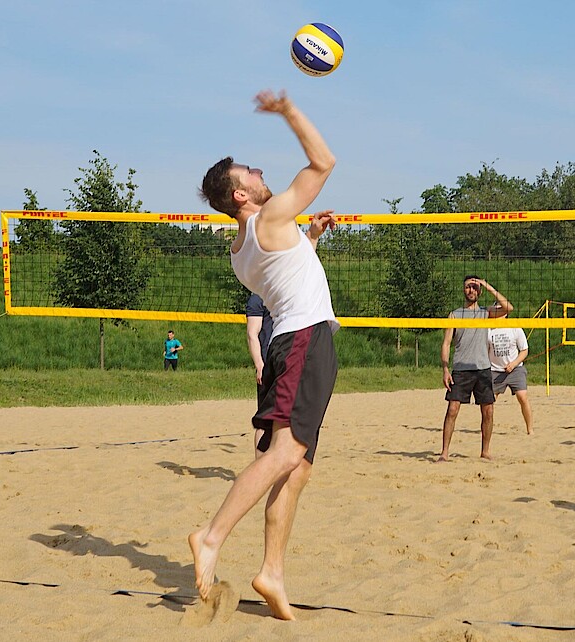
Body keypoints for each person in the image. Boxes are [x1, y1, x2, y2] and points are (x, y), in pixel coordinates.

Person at [191, 89, 339, 619]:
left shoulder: (241, 248)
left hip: (286, 343)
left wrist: (312, 239)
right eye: (248, 172)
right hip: (304, 340)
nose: (258, 171)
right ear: (240, 195)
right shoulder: (272, 217)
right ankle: (210, 536)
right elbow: (324, 162)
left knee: (294, 468)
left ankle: (272, 572)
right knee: (280, 457)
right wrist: (289, 110)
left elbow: (287, 275)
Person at [440, 275, 512, 461]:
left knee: (488, 411)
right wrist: (446, 369)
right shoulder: (455, 314)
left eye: (474, 287)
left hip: (482, 369)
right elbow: (447, 343)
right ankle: (444, 453)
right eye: (468, 287)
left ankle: (485, 452)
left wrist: (487, 285)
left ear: (479, 291)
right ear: (463, 290)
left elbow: (508, 307)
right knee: (452, 410)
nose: (471, 290)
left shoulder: (485, 313)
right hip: (461, 369)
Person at [487, 316, 532, 435]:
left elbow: (524, 350)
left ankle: (530, 429)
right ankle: (487, 429)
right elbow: (485, 351)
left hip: (515, 369)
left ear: (505, 313)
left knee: (522, 397)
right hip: (495, 371)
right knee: (489, 402)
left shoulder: (514, 327)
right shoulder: (488, 329)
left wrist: (514, 363)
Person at [245, 293, 274, 455]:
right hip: (268, 365)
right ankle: (261, 469)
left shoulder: (284, 292)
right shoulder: (257, 298)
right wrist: (259, 364)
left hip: (287, 362)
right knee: (264, 422)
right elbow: (252, 334)